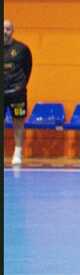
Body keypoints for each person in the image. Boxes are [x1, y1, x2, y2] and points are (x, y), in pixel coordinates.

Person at [4, 20, 32, 166]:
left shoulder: (22, 49)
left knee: (18, 123)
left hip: (17, 94)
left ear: (12, 31)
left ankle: (17, 152)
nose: (4, 31)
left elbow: (28, 69)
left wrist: (19, 87)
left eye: (7, 29)